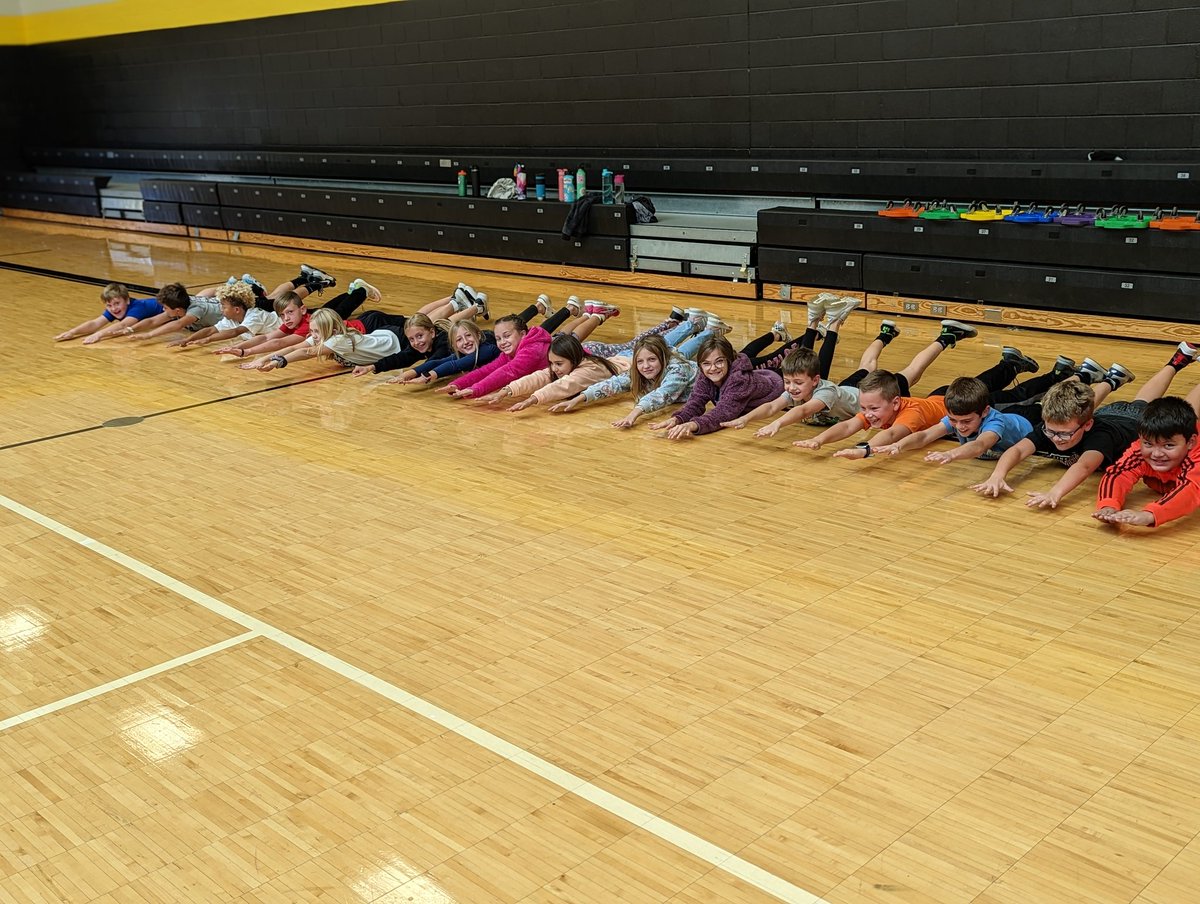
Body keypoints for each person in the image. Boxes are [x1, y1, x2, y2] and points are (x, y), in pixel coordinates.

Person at [972, 343, 1195, 508]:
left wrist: (1055, 492)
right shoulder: (1051, 430)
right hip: (1107, 413)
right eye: (1051, 432)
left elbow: (1085, 467)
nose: (1056, 439)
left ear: (1086, 426)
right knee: (1140, 400)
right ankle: (1125, 376)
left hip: (1131, 422)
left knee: (1185, 412)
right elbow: (1019, 449)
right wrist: (997, 475)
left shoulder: (1099, 437)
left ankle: (1176, 362)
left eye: (1064, 434)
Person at [795, 345, 1109, 459]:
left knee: (1017, 396)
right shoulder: (877, 411)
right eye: (866, 409)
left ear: (894, 402)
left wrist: (869, 450)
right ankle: (1019, 366)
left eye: (873, 409)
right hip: (953, 404)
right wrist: (818, 440)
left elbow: (899, 436)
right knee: (1005, 391)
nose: (867, 414)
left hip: (956, 403)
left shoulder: (913, 415)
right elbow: (852, 425)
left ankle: (1072, 375)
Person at [721, 318, 977, 435]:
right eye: (788, 382)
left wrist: (777, 424)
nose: (791, 388)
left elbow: (800, 412)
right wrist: (745, 419)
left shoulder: (823, 394)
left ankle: (946, 336)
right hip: (851, 391)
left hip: (868, 397)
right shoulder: (801, 389)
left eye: (797, 383)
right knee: (866, 364)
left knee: (911, 374)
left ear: (814, 379)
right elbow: (770, 405)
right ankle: (886, 333)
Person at [872, 356, 1081, 463]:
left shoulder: (993, 423)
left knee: (1050, 401)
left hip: (1029, 419)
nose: (959, 427)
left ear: (984, 412)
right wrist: (899, 446)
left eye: (966, 422)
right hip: (1012, 416)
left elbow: (980, 445)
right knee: (1023, 394)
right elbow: (925, 436)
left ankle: (1083, 377)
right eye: (954, 421)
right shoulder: (956, 420)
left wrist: (952, 454)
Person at [1094, 391, 1200, 527]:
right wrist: (1108, 504)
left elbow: (1190, 491)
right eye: (1148, 444)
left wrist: (1149, 514)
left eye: (1168, 445)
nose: (1156, 454)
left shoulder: (1196, 456)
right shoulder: (1140, 449)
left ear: (1191, 442)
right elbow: (1119, 472)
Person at [648, 335, 784, 440]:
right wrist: (678, 418)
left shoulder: (739, 380)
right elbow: (696, 402)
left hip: (780, 382)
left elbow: (723, 413)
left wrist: (692, 425)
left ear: (729, 361)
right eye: (706, 363)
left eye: (719, 362)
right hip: (761, 376)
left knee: (793, 354)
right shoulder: (705, 374)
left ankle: (804, 329)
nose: (712, 368)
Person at [171, 281, 281, 348]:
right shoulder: (230, 319)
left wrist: (209, 339)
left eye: (224, 306)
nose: (221, 309)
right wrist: (188, 340)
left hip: (289, 326)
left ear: (237, 310)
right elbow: (210, 330)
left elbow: (235, 332)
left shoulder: (254, 316)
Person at [53, 283, 166, 344]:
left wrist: (99, 334)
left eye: (117, 303)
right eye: (109, 305)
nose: (113, 309)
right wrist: (73, 332)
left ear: (127, 300)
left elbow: (123, 325)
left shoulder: (137, 307)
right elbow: (95, 323)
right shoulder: (116, 309)